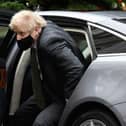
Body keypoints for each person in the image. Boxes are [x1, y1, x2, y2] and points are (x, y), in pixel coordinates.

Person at [8, 10, 86, 126]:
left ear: (36, 29)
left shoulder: (49, 43)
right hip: (47, 90)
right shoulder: (41, 27)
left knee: (41, 123)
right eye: (16, 33)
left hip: (62, 95)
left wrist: (69, 100)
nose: (18, 38)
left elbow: (76, 68)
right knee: (20, 115)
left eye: (22, 33)